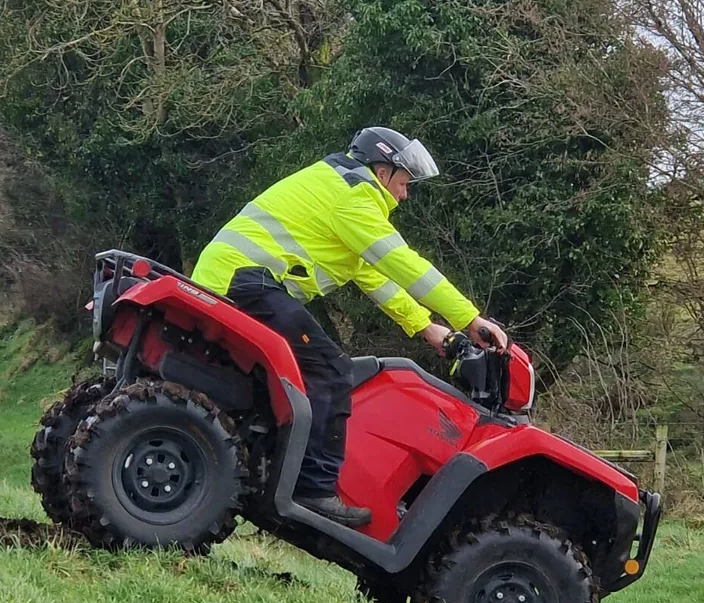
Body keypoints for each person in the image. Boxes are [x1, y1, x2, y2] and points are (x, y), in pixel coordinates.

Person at [191, 127, 508, 527]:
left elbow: (373, 277)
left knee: (306, 371)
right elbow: (404, 266)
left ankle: (271, 466)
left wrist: (428, 328)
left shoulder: (338, 187)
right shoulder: (354, 198)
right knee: (330, 371)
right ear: (382, 170)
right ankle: (315, 489)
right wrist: (470, 318)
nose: (405, 195)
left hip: (237, 278)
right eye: (404, 183)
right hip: (247, 282)